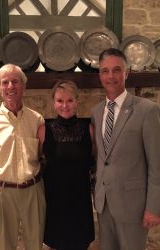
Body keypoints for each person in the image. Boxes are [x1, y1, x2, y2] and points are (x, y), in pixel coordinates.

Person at [91, 48, 160, 250]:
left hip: (134, 207)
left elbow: (157, 164)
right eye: (105, 71)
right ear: (100, 75)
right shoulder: (96, 112)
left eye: (116, 70)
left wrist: (154, 207)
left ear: (126, 73)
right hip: (104, 205)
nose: (110, 76)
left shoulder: (147, 110)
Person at [0, 64, 46, 250]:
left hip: (33, 191)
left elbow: (42, 158)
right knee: (4, 246)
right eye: (5, 82)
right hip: (2, 194)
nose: (11, 86)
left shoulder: (37, 119)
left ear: (24, 86)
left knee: (35, 245)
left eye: (16, 81)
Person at [37, 80, 95, 250]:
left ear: (77, 101)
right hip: (55, 198)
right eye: (60, 100)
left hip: (80, 199)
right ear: (54, 103)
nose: (65, 105)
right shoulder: (43, 130)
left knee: (80, 243)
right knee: (57, 242)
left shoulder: (89, 129)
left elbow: (95, 160)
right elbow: (34, 161)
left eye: (70, 100)